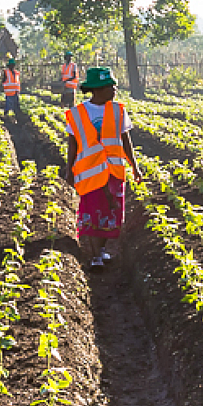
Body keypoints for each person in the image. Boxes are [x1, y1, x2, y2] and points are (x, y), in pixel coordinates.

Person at [64, 66, 137, 268]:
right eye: (109, 87)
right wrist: (68, 169)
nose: (114, 90)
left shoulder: (118, 110)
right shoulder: (78, 113)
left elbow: (125, 139)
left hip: (113, 170)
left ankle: (101, 250)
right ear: (97, 89)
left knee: (112, 213)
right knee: (94, 212)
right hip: (90, 172)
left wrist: (135, 166)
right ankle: (96, 256)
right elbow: (72, 144)